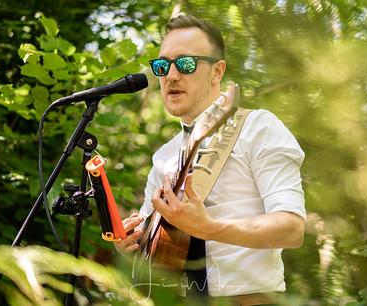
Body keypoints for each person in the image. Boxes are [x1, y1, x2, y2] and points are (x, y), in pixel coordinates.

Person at [115, 13, 306, 305]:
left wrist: (209, 229)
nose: (172, 75)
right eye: (163, 65)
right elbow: (152, 246)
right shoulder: (163, 157)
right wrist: (133, 240)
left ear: (217, 72)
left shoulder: (258, 127)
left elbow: (292, 229)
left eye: (186, 63)